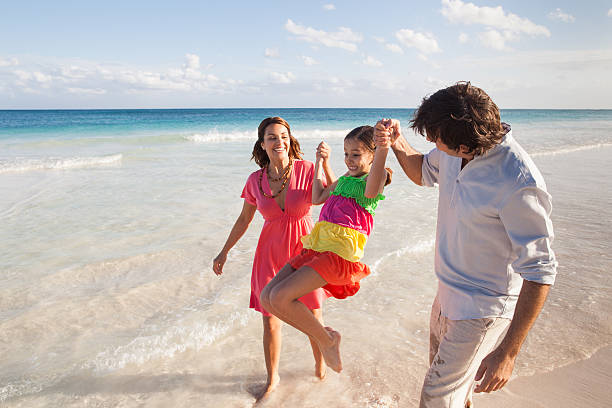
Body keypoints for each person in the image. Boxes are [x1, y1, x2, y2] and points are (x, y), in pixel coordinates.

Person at [375, 82, 557, 408]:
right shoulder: (454, 152)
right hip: (446, 296)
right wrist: (398, 140)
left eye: (435, 138)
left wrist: (508, 353)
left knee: (435, 399)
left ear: (463, 145)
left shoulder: (517, 180)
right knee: (457, 396)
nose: (431, 142)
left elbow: (541, 270)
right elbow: (422, 173)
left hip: (484, 309)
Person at [212, 117, 334, 401]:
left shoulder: (306, 169)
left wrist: (324, 163)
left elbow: (328, 195)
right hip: (269, 254)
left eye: (283, 136)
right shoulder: (255, 180)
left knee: (313, 314)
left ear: (290, 141)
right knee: (269, 319)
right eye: (271, 137)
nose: (278, 141)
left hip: (306, 252)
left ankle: (320, 367)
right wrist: (224, 251)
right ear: (262, 143)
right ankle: (272, 379)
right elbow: (244, 219)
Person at [260, 125, 392, 373]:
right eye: (346, 153)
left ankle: (326, 340)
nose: (349, 160)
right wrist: (322, 162)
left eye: (356, 154)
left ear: (372, 156)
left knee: (280, 297)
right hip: (317, 248)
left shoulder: (374, 179)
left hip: (337, 254)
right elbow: (318, 195)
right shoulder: (344, 180)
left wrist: (384, 146)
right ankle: (325, 337)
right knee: (267, 297)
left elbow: (373, 186)